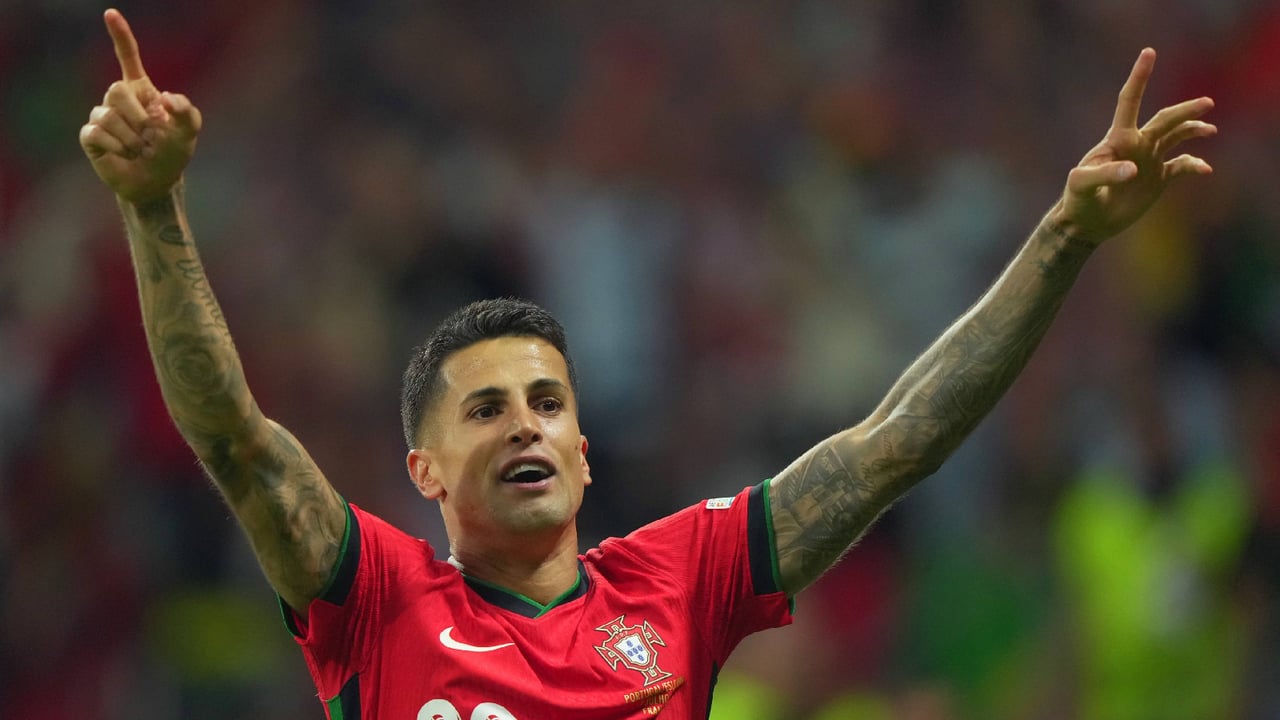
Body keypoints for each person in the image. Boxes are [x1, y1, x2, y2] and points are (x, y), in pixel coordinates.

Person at [79, 8, 1216, 719]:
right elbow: (237, 443)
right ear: (421, 471)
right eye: (485, 409)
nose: (524, 423)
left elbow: (894, 445)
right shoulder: (377, 602)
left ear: (583, 449)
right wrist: (152, 205)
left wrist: (1063, 238)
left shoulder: (677, 583)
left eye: (545, 401)